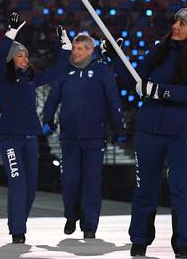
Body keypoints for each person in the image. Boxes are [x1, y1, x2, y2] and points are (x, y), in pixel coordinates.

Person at [113, 2, 187, 259]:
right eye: (176, 21)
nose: (174, 26)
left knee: (181, 188)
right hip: (148, 129)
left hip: (181, 132)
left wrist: (158, 90)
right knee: (144, 188)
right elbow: (134, 81)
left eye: (181, 24)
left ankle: (184, 245)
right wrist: (115, 56)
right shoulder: (160, 49)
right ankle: (139, 241)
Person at [0, 12, 72, 244]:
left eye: (26, 56)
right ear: (11, 60)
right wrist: (12, 32)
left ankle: (18, 224)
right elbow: (0, 57)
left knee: (29, 188)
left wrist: (65, 44)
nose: (25, 59)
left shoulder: (31, 79)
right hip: (10, 138)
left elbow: (57, 70)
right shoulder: (3, 78)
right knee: (17, 184)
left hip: (30, 138)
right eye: (20, 56)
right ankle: (18, 231)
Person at [42, 33, 126, 239]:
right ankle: (71, 215)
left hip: (95, 136)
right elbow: (53, 98)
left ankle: (90, 226)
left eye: (79, 49)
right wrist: (47, 119)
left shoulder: (102, 71)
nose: (75, 52)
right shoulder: (64, 72)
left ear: (90, 50)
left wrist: (118, 126)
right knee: (70, 179)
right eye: (74, 49)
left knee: (91, 181)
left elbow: (113, 99)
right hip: (69, 137)